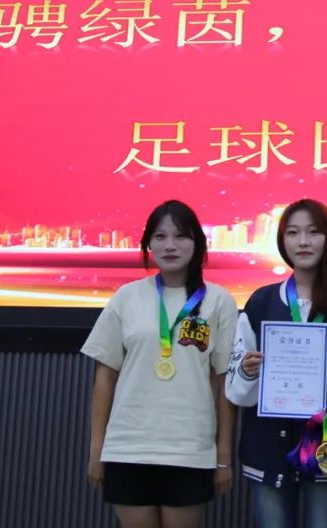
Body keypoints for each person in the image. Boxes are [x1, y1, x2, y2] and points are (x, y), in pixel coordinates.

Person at [82, 199, 239, 528]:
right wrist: (98, 450)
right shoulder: (127, 297)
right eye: (160, 236)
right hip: (128, 448)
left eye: (181, 236)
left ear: (198, 243)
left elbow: (226, 383)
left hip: (190, 449)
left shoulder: (218, 301)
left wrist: (223, 456)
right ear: (148, 244)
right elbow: (104, 379)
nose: (170, 245)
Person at [226, 199, 327, 528]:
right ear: (282, 240)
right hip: (268, 445)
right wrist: (248, 372)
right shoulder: (262, 302)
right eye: (293, 233)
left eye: (313, 232)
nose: (303, 242)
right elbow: (238, 387)